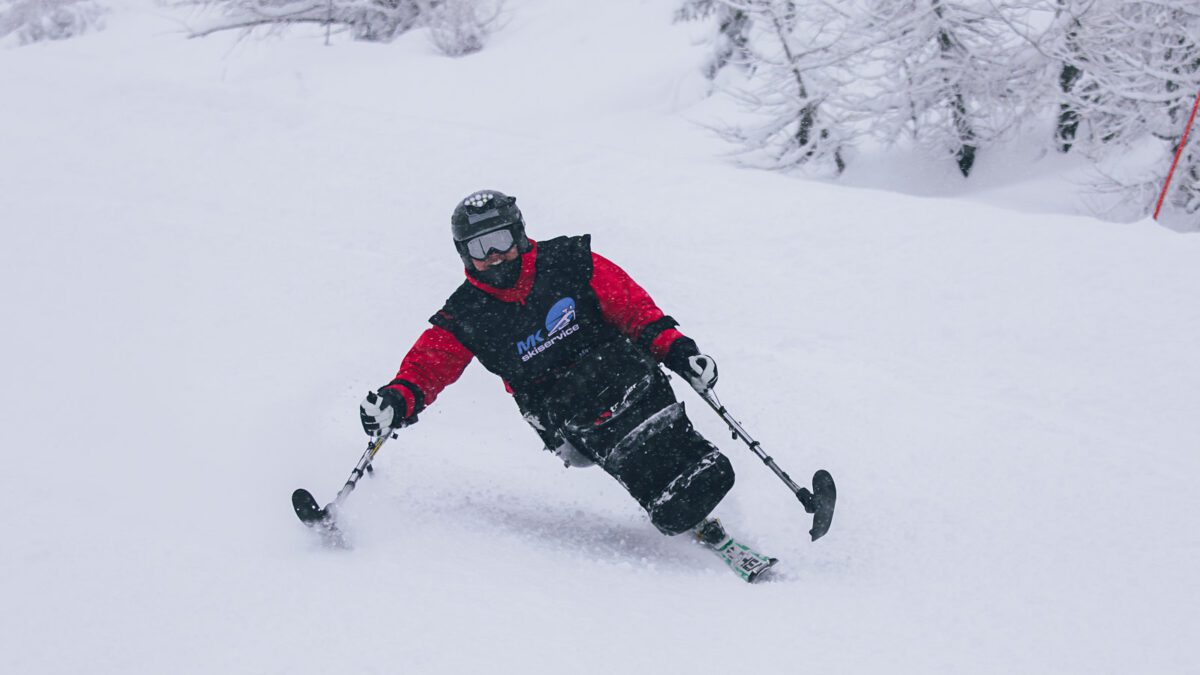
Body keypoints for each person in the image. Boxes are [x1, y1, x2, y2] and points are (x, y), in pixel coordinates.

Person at [359, 190, 733, 536]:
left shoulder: (570, 262)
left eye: (501, 240)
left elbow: (634, 311)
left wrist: (680, 352)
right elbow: (428, 366)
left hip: (622, 373)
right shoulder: (467, 313)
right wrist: (397, 399)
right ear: (463, 253)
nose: (493, 255)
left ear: (519, 235)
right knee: (598, 409)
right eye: (479, 247)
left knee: (627, 371)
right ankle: (661, 492)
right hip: (561, 412)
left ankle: (695, 464)